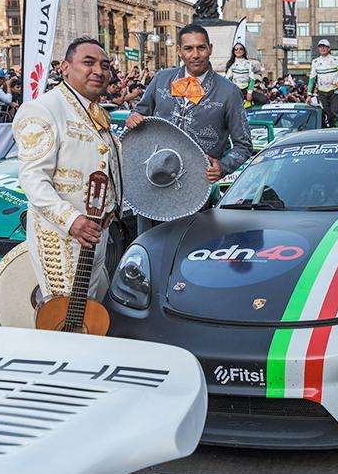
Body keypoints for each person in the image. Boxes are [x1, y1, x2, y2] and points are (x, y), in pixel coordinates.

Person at [13, 37, 122, 301]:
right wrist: (72, 221)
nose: (99, 71)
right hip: (62, 237)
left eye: (105, 65)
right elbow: (33, 178)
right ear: (64, 68)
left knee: (90, 309)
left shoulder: (94, 111)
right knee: (65, 316)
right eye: (88, 62)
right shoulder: (43, 109)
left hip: (95, 233)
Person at [126, 24, 253, 232]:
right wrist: (133, 118)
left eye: (201, 48)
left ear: (210, 48)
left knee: (187, 252)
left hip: (194, 189)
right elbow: (139, 114)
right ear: (179, 50)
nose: (195, 55)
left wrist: (223, 166)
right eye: (188, 48)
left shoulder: (228, 92)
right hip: (151, 182)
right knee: (149, 249)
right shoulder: (161, 80)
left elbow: (244, 145)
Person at [307, 39, 338, 127]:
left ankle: (337, 133)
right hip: (322, 92)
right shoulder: (315, 62)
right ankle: (328, 132)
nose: (322, 49)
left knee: (334, 114)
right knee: (326, 114)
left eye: (324, 47)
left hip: (334, 91)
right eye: (320, 47)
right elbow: (312, 79)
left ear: (328, 48)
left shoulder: (335, 59)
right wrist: (309, 95)